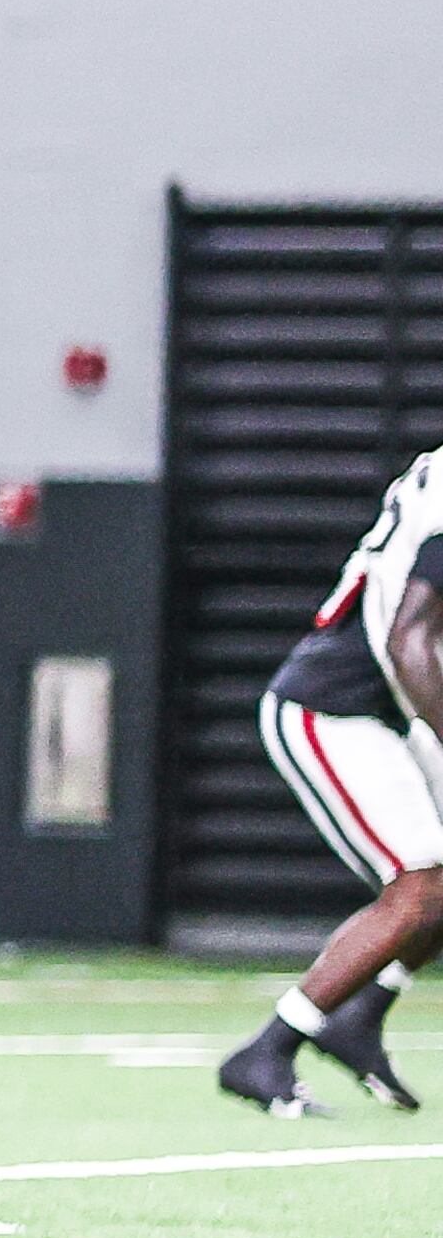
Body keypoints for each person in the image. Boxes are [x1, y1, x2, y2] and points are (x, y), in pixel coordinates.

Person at [222, 450, 438, 1116]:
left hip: (386, 710)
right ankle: (266, 1052)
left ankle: (360, 1017)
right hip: (330, 705)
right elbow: (410, 641)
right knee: (419, 885)